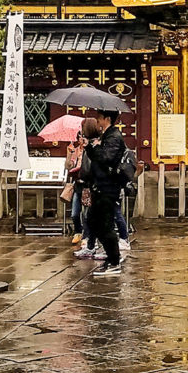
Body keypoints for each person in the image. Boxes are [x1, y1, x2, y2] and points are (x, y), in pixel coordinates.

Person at [77, 112, 126, 275]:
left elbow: (106, 159)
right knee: (94, 222)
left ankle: (114, 261)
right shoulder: (107, 136)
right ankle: (111, 258)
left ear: (107, 119)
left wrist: (94, 147)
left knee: (105, 225)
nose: (97, 120)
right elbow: (98, 158)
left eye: (99, 117)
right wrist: (89, 146)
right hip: (100, 186)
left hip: (108, 187)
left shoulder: (113, 137)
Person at [65, 129, 86, 246]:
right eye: (80, 137)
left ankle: (87, 235)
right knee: (74, 213)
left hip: (87, 185)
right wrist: (69, 154)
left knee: (87, 213)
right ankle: (78, 231)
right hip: (77, 184)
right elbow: (68, 166)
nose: (81, 139)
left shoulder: (90, 151)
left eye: (83, 137)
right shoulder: (76, 151)